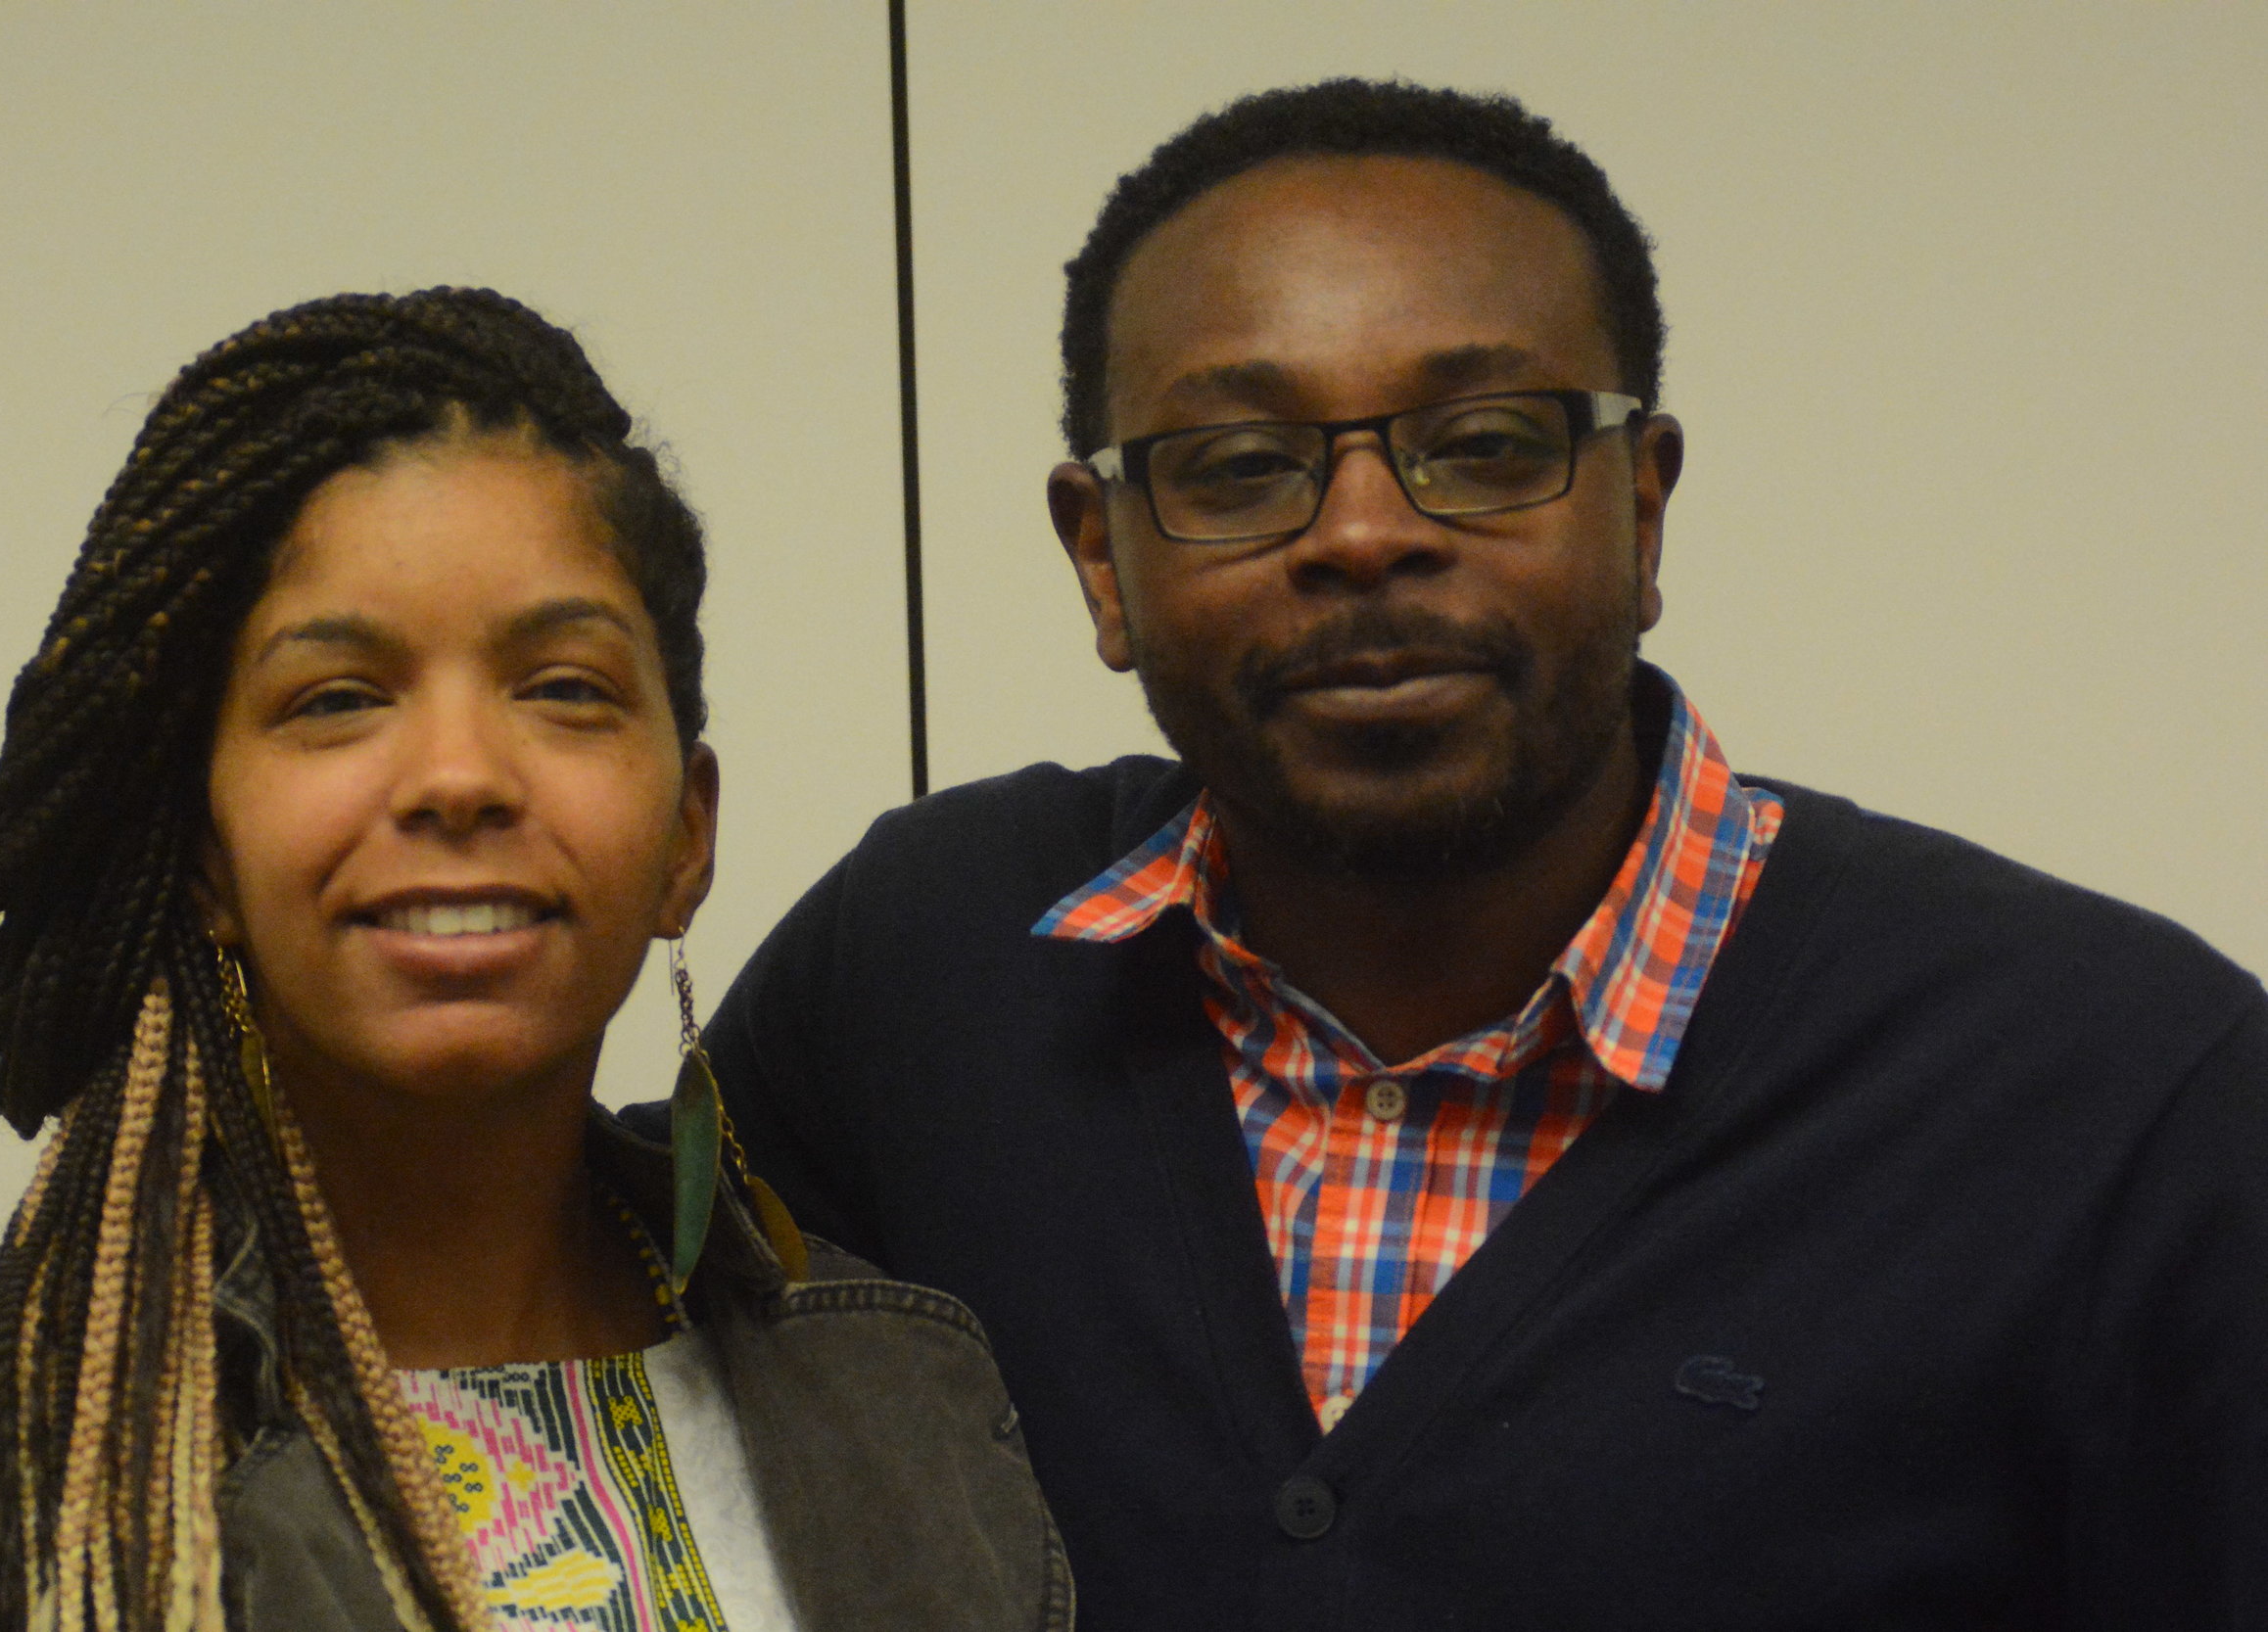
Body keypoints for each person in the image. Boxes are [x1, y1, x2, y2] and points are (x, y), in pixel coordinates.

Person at [694, 79, 2268, 1630]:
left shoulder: (2127, 1095)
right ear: (1103, 560)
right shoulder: (929, 971)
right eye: (1240, 467)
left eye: (1491, 442)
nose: (1366, 531)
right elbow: (538, 1343)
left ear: (1643, 510)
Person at [0, 288, 1070, 1632]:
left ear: (685, 839)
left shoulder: (906, 1400)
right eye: (338, 699)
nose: (460, 777)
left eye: (564, 688)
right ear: (200, 856)